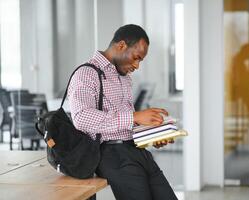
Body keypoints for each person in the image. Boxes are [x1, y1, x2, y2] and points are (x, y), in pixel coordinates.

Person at [68, 24, 178, 200]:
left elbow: (124, 126)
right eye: (136, 58)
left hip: (136, 151)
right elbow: (81, 118)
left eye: (140, 60)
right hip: (111, 154)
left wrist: (151, 135)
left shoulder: (124, 78)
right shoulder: (86, 74)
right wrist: (135, 116)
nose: (137, 65)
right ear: (121, 46)